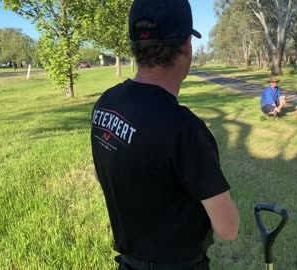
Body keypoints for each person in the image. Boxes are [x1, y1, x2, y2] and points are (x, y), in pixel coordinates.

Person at [90, 0, 239, 269]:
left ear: (135, 46)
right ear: (186, 46)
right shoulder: (185, 129)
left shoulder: (106, 102)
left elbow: (101, 174)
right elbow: (228, 229)